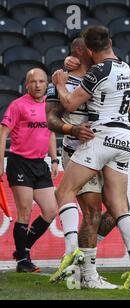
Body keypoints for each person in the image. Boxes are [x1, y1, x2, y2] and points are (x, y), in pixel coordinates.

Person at [51, 26, 130, 289]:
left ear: (87, 51)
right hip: (115, 140)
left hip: (99, 139)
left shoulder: (95, 72)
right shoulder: (123, 67)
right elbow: (51, 117)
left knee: (75, 196)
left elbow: (70, 105)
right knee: (109, 208)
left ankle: (74, 251)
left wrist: (59, 84)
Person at [46, 37, 117, 288]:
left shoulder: (100, 76)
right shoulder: (61, 79)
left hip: (104, 150)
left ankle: (76, 257)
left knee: (119, 211)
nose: (96, 52)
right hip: (77, 152)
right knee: (92, 212)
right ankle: (88, 273)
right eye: (91, 49)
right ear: (80, 51)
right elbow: (51, 119)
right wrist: (73, 130)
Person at [0, 68, 59, 273]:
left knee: (51, 211)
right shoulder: (17, 105)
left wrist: (54, 159)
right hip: (20, 163)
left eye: (42, 81)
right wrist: (0, 164)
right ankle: (22, 261)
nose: (37, 85)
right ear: (27, 84)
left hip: (40, 164)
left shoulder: (50, 106)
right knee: (24, 211)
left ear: (46, 84)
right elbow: (3, 134)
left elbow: (50, 132)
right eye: (33, 81)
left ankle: (22, 250)